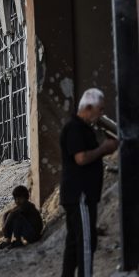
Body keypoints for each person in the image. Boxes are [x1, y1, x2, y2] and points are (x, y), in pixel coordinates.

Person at [60, 88, 118, 277]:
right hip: (80, 195)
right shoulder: (75, 128)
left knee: (74, 242)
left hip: (80, 194)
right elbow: (81, 158)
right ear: (89, 107)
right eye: (99, 110)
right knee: (85, 242)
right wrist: (104, 149)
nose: (101, 114)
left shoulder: (83, 127)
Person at [0, 185, 43, 251]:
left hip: (34, 235)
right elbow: (8, 213)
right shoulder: (21, 206)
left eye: (19, 199)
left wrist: (4, 228)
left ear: (25, 198)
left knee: (17, 217)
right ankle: (8, 240)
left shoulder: (27, 205)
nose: (17, 201)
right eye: (15, 199)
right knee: (8, 214)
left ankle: (18, 241)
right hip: (29, 233)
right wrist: (6, 217)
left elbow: (13, 214)